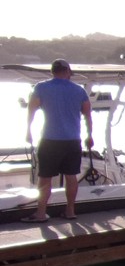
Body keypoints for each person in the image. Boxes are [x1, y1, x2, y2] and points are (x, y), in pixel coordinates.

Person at [22, 59, 93, 222]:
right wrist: (90, 135)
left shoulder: (41, 87)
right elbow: (87, 115)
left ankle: (41, 213)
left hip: (50, 139)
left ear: (52, 71)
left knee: (45, 177)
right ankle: (70, 211)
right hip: (72, 140)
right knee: (71, 176)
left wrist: (28, 131)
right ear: (67, 72)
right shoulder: (79, 90)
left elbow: (31, 110)